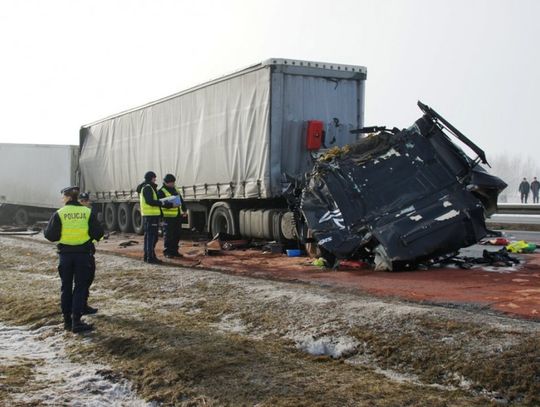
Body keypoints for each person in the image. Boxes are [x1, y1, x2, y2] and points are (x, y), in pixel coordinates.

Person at [44, 186, 104, 333]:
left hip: (65, 256)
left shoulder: (60, 213)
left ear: (68, 197)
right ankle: (76, 321)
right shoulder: (87, 212)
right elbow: (99, 233)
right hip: (83, 255)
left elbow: (50, 235)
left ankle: (67, 321)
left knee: (66, 287)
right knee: (80, 287)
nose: (61, 199)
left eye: (63, 196)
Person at [136, 171, 173, 264]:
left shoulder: (147, 187)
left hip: (150, 216)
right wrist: (161, 202)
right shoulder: (148, 188)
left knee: (149, 237)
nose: (155, 179)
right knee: (152, 237)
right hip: (150, 216)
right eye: (154, 178)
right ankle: (150, 257)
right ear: (151, 178)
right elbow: (150, 201)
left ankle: (147, 256)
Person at [157, 174, 187, 258]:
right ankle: (167, 252)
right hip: (167, 216)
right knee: (168, 235)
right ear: (167, 182)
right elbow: (160, 203)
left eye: (174, 182)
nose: (173, 184)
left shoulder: (175, 188)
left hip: (177, 215)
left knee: (177, 234)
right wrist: (171, 206)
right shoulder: (161, 191)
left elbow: (181, 199)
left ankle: (174, 251)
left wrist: (184, 209)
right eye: (172, 182)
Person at [78, 192, 98, 315]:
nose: (87, 203)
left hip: (70, 253)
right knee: (84, 281)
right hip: (84, 252)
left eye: (87, 201)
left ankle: (80, 306)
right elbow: (97, 232)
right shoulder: (87, 214)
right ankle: (80, 307)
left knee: (83, 281)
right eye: (83, 201)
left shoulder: (65, 213)